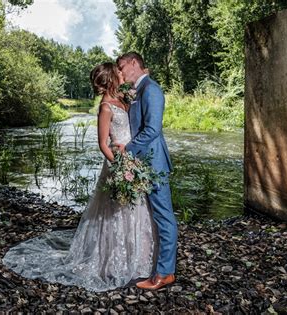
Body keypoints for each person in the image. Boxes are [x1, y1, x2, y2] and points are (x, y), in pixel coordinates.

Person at [2, 62, 155, 292]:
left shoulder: (124, 98)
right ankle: (110, 262)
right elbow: (103, 145)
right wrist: (120, 169)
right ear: (112, 78)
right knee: (114, 213)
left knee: (137, 210)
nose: (121, 73)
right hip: (118, 165)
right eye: (118, 72)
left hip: (132, 160)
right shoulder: (105, 107)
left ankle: (139, 257)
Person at [115, 52, 177, 290]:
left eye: (122, 67)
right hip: (143, 163)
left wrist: (127, 150)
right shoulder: (137, 91)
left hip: (154, 164)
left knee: (164, 216)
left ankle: (165, 273)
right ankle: (156, 265)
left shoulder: (151, 89)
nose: (120, 73)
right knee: (154, 215)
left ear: (133, 63)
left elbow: (152, 130)